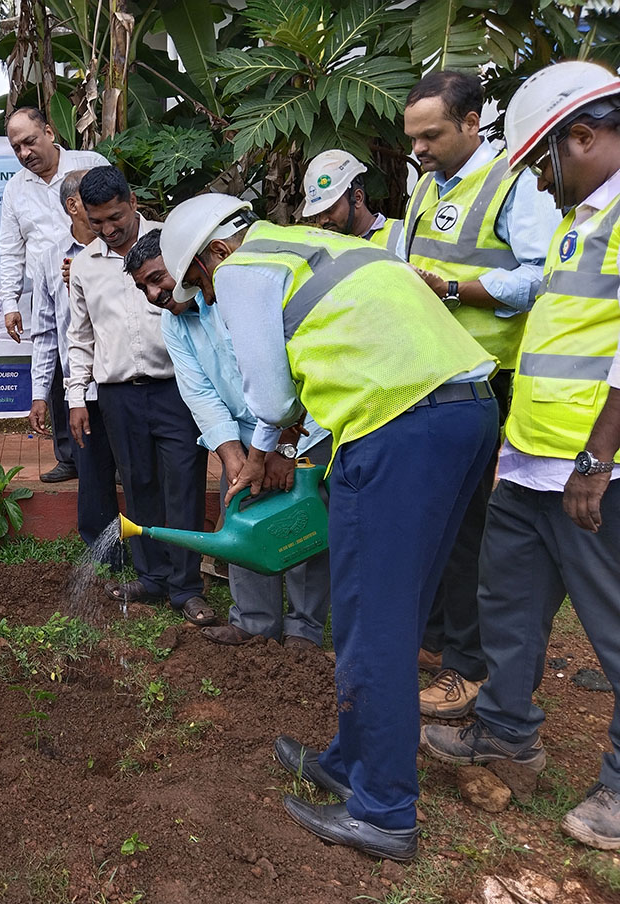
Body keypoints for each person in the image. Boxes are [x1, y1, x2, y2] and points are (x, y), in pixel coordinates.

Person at [216, 216, 497, 862]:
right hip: (464, 408)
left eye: (196, 285)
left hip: (397, 425)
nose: (208, 299)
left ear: (212, 253)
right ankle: (349, 761)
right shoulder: (318, 247)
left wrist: (259, 452)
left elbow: (271, 390)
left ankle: (385, 809)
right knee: (389, 612)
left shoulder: (242, 267)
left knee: (374, 624)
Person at [421, 60, 620, 851]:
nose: (543, 179)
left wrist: (598, 460)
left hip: (590, 470)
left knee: (611, 630)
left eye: (547, 161)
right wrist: (521, 443)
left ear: (584, 136)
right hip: (532, 459)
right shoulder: (584, 219)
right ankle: (507, 736)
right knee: (507, 606)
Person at [401, 70, 562, 716]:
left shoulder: (512, 187)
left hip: (483, 383)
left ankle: (465, 668)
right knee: (434, 520)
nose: (419, 149)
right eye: (413, 138)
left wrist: (452, 290)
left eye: (432, 135)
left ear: (473, 123)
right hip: (429, 380)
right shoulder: (426, 184)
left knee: (469, 531)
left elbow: (540, 277)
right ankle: (441, 639)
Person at [129, 199, 333, 651]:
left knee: (300, 521)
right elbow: (199, 393)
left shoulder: (234, 289)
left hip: (302, 427)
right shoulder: (174, 323)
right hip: (244, 435)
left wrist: (282, 452)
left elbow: (284, 376)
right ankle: (254, 623)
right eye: (144, 287)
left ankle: (304, 630)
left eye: (160, 279)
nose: (156, 295)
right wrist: (235, 458)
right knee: (240, 523)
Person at [66, 165, 216, 627]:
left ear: (132, 201)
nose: (108, 230)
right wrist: (76, 396)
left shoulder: (174, 243)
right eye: (97, 223)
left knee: (183, 485)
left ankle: (186, 587)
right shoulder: (85, 266)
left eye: (115, 218)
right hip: (117, 396)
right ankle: (151, 578)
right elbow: (80, 335)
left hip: (177, 388)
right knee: (139, 484)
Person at [0, 107, 106, 481]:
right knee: (62, 364)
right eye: (17, 148)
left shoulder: (89, 165)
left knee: (103, 362)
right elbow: (11, 248)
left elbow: (115, 213)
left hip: (100, 281)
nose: (25, 152)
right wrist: (10, 302)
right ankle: (69, 456)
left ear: (49, 131)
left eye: (30, 141)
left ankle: (113, 458)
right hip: (49, 290)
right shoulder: (15, 189)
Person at [28, 168, 121, 562]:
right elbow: (47, 333)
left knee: (139, 473)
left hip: (125, 381)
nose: (105, 218)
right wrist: (39, 395)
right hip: (81, 389)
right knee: (93, 476)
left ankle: (156, 555)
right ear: (74, 206)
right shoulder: (52, 259)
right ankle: (103, 555)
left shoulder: (126, 249)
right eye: (93, 203)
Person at [300, 149, 401, 249]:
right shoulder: (325, 250)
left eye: (329, 210)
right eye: (318, 215)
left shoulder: (400, 236)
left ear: (358, 198)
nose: (322, 221)